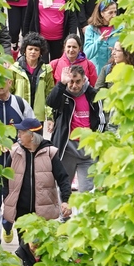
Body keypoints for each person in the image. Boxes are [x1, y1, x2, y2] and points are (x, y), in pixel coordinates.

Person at [3, 118, 72, 243]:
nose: (18, 135)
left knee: (39, 246)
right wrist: (7, 198)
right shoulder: (15, 153)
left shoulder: (50, 153)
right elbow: (5, 179)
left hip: (43, 211)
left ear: (32, 136)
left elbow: (63, 179)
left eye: (21, 132)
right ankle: (25, 262)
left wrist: (66, 200)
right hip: (21, 210)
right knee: (24, 245)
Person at [45, 65, 104, 193]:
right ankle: (65, 213)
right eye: (71, 81)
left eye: (78, 82)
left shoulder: (93, 95)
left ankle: (84, 213)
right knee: (64, 188)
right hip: (68, 148)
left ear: (84, 80)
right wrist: (61, 84)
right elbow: (50, 102)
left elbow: (102, 120)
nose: (74, 85)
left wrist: (95, 140)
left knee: (86, 190)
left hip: (88, 150)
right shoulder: (63, 93)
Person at [0, 75, 33, 200]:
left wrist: (18, 144)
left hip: (16, 163)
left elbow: (33, 130)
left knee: (14, 206)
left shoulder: (20, 104)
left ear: (10, 82)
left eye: (1, 80)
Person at [10, 32, 54, 120]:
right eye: (30, 49)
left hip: (37, 118)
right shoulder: (15, 69)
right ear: (24, 51)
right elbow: (9, 93)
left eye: (36, 49)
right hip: (19, 115)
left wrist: (50, 117)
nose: (33, 52)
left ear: (40, 52)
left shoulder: (46, 70)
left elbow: (50, 95)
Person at [82, 0, 121, 77]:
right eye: (110, 12)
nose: (114, 15)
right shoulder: (90, 29)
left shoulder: (120, 28)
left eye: (115, 12)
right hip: (97, 74)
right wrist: (99, 40)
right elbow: (87, 55)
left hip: (115, 72)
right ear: (102, 13)